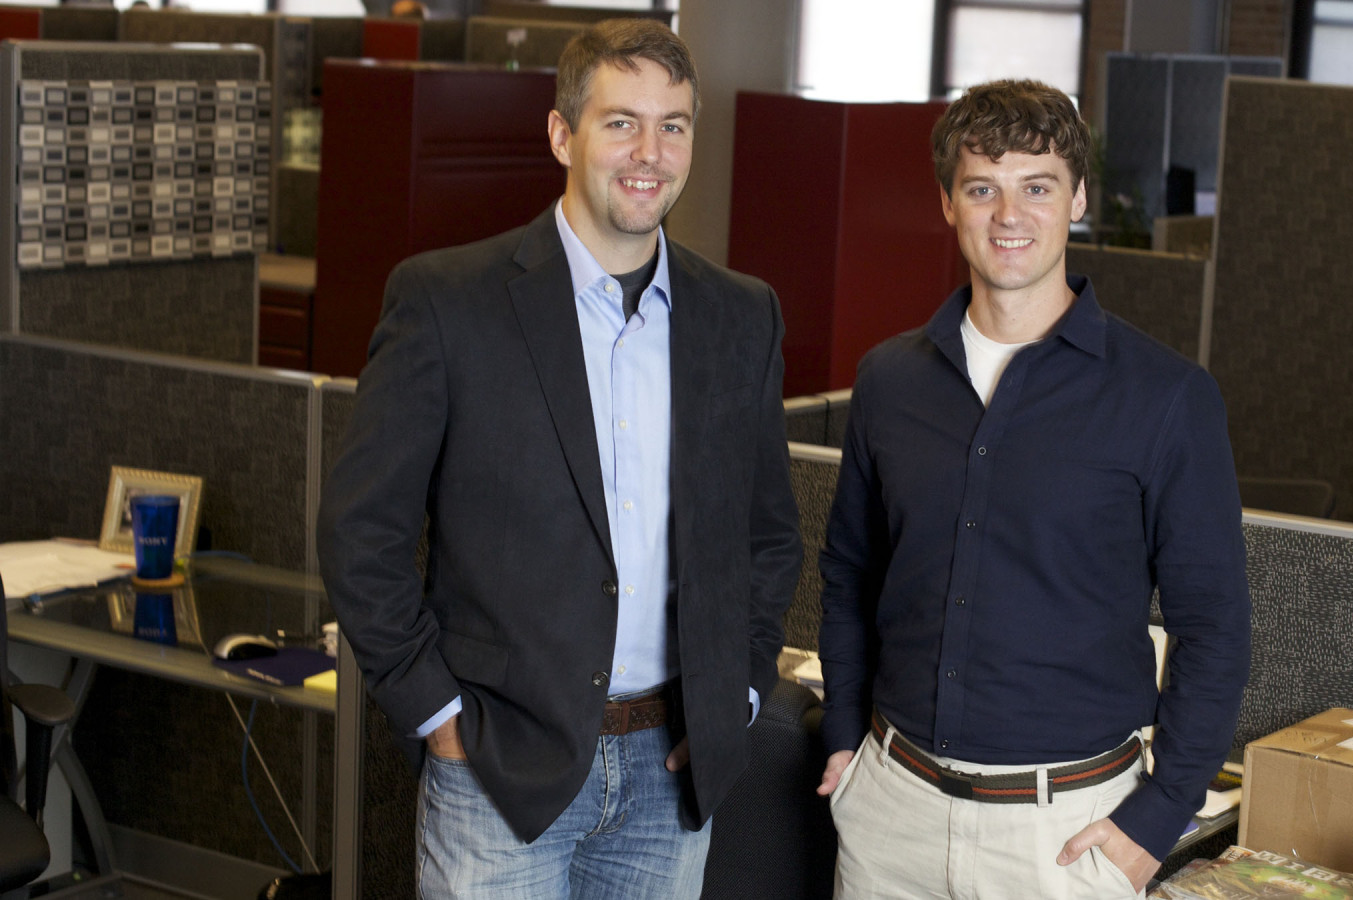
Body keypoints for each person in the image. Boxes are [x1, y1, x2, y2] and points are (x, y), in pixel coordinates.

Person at [317, 18, 802, 899]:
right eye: (621, 122)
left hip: (672, 772)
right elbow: (362, 531)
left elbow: (765, 535)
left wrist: (738, 693)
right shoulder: (446, 301)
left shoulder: (741, 314)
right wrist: (438, 715)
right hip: (499, 769)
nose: (649, 151)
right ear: (561, 134)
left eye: (674, 125)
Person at [815, 78, 1251, 899]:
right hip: (889, 817)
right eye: (983, 188)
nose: (1008, 215)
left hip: (1065, 837)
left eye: (1037, 187)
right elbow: (849, 575)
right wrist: (844, 738)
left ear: (1077, 197)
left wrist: (1156, 820)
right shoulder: (889, 381)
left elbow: (1215, 627)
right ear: (949, 203)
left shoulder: (1165, 397)